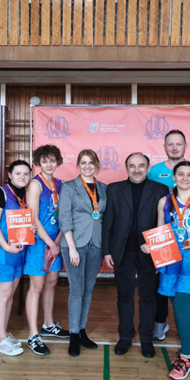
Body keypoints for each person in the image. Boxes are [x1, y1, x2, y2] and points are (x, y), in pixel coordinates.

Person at [149, 161, 190, 380]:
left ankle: (187, 356)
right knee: (176, 306)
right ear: (174, 176)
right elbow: (160, 230)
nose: (185, 178)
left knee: (181, 306)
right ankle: (186, 350)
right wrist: (154, 252)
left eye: (189, 175)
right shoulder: (164, 201)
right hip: (170, 259)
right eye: (181, 174)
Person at [102, 152, 168, 358]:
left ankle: (147, 339)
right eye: (132, 166)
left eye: (141, 166)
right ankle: (125, 336)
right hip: (122, 251)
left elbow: (164, 224)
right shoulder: (114, 189)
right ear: (126, 168)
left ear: (148, 168)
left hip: (149, 252)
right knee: (124, 296)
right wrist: (107, 251)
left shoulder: (161, 189)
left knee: (148, 297)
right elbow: (108, 221)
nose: (136, 170)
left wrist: (159, 252)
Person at [147, 129, 190, 342]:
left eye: (179, 144)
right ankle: (160, 322)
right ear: (164, 147)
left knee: (185, 290)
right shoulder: (154, 171)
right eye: (170, 144)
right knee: (163, 285)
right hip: (166, 239)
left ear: (185, 146)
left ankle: (185, 327)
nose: (174, 148)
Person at [59, 149, 107, 357]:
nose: (87, 166)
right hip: (74, 245)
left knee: (88, 289)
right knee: (77, 290)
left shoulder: (104, 188)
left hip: (96, 243)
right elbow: (64, 218)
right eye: (83, 163)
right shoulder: (69, 187)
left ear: (96, 165)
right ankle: (73, 335)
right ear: (78, 166)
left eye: (91, 162)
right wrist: (71, 247)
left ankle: (82, 331)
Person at [24, 145, 70, 356]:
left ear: (58, 161)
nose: (49, 164)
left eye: (52, 160)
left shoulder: (60, 184)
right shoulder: (35, 184)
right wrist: (50, 243)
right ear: (38, 163)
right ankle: (33, 334)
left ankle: (48, 324)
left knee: (52, 283)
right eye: (44, 161)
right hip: (39, 242)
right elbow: (33, 218)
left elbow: (64, 216)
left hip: (55, 241)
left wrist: (57, 241)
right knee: (37, 286)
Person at [0, 160, 30, 356]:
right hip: (5, 252)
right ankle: (0, 341)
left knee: (10, 295)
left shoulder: (25, 194)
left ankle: (3, 334)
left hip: (19, 250)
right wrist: (5, 246)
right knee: (3, 295)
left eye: (26, 174)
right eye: (18, 173)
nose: (22, 177)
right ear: (10, 175)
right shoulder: (1, 193)